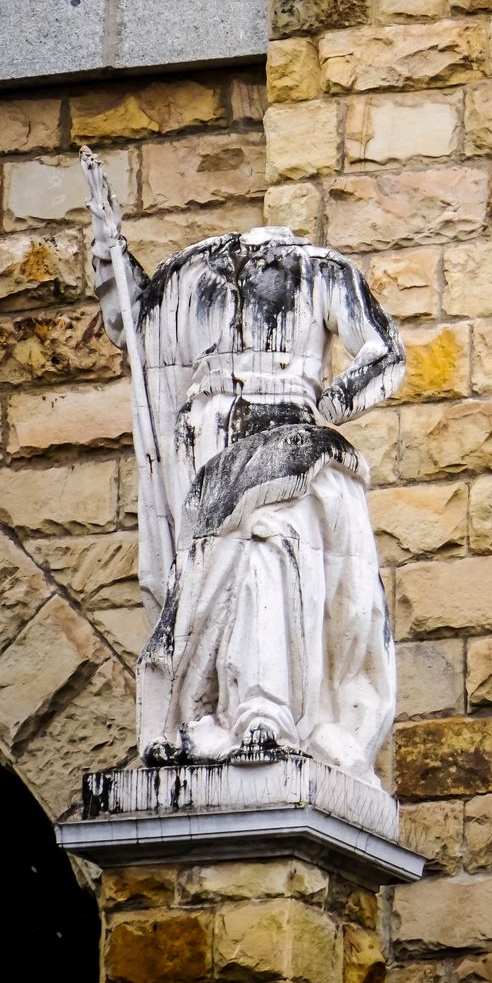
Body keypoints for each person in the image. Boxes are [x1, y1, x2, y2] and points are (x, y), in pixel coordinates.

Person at [88, 165, 405, 781]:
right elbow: (137, 326)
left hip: (287, 433)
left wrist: (324, 407)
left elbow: (385, 352)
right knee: (209, 573)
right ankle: (209, 711)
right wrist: (109, 247)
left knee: (273, 548)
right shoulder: (192, 271)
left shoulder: (316, 267)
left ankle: (267, 710)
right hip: (203, 439)